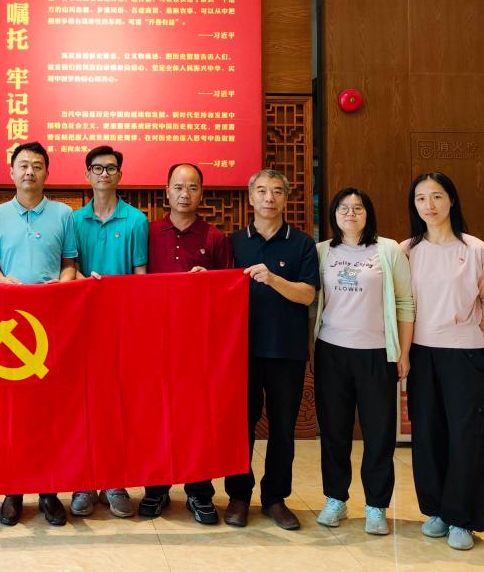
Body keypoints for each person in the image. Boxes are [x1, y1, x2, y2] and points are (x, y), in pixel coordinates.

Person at [403, 172, 484, 551]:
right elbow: (401, 306)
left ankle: (463, 518)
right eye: (421, 198)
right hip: (420, 353)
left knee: (466, 435)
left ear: (452, 200)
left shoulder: (476, 250)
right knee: (427, 433)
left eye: (437, 196)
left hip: (464, 353)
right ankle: (437, 511)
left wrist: (465, 336)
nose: (429, 205)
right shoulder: (407, 250)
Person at [0, 141, 78, 526]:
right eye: (23, 165)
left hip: (53, 322)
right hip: (11, 323)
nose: (29, 172)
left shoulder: (63, 214)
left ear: (47, 173)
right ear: (11, 172)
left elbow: (70, 264)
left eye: (37, 166)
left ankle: (49, 492)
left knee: (51, 412)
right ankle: (13, 491)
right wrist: (3, 281)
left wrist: (61, 285)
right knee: (14, 412)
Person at [312, 188, 414, 536]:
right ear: (334, 214)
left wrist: (403, 352)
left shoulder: (389, 250)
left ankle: (376, 506)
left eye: (358, 208)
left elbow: (405, 302)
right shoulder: (322, 251)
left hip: (377, 354)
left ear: (368, 213)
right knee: (334, 431)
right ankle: (335, 499)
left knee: (379, 432)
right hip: (332, 351)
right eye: (343, 208)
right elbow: (312, 302)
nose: (350, 213)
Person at [137, 163, 232, 525]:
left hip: (198, 345)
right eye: (178, 187)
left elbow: (228, 291)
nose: (184, 194)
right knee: (156, 416)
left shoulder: (215, 238)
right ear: (166, 191)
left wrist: (209, 281)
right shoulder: (148, 233)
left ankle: (199, 491)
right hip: (154, 342)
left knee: (197, 418)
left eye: (192, 188)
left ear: (201, 194)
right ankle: (156, 488)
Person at [224, 168, 318, 530]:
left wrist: (274, 279)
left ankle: (275, 498)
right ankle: (238, 496)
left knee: (282, 428)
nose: (269, 197)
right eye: (261, 191)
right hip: (241, 351)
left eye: (277, 191)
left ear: (286, 198)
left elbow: (307, 294)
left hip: (286, 350)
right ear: (250, 198)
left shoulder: (302, 244)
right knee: (240, 426)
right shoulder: (234, 242)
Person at [69, 146, 148, 519]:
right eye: (97, 168)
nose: (104, 174)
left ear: (120, 174)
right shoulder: (73, 220)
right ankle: (84, 481)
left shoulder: (136, 221)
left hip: (121, 328)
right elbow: (67, 268)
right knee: (83, 406)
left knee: (118, 407)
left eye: (111, 168)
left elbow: (141, 277)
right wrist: (84, 280)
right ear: (87, 174)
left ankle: (115, 482)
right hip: (81, 327)